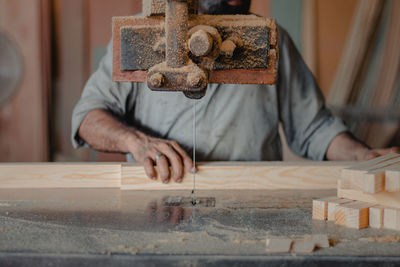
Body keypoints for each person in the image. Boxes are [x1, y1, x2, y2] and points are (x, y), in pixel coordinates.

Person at [71, 0, 399, 184]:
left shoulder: (272, 40)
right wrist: (137, 143)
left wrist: (360, 156)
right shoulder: (139, 36)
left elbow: (314, 128)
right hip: (156, 199)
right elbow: (87, 118)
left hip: (253, 199)